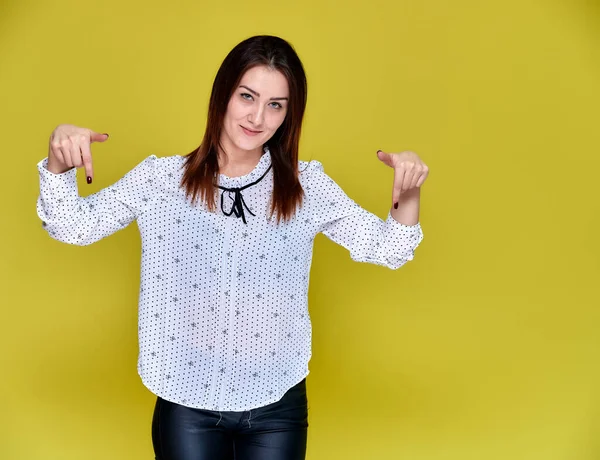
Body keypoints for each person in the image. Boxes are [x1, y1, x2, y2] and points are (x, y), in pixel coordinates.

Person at [36, 35, 428, 460]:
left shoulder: (306, 187)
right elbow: (71, 226)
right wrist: (59, 161)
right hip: (186, 398)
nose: (258, 117)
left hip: (277, 402)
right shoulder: (160, 181)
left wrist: (408, 193)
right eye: (247, 96)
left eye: (275, 105)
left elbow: (389, 249)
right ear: (223, 94)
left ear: (288, 115)